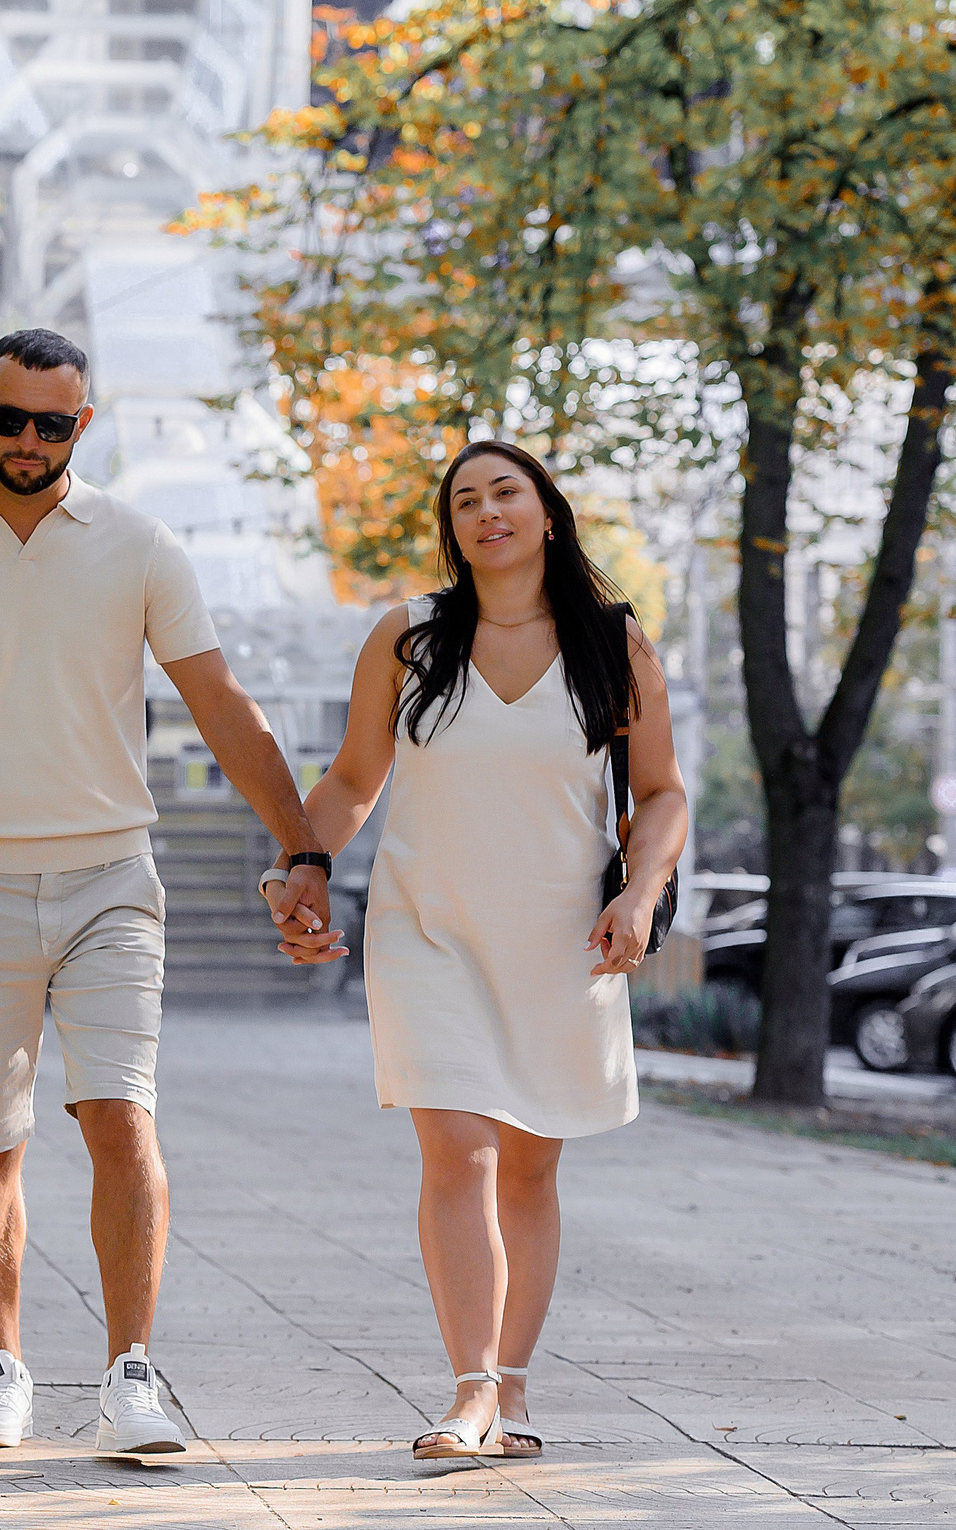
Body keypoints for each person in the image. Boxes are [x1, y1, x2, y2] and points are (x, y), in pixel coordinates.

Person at [0, 328, 338, 1456]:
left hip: (113, 875)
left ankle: (131, 1376)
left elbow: (219, 702)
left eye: (50, 424)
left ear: (83, 425)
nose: (25, 441)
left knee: (121, 1118)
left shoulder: (140, 545)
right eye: (7, 419)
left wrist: (301, 847)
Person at [269, 440, 686, 1461]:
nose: (485, 511)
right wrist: (302, 862)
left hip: (561, 940)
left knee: (529, 1172)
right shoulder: (408, 638)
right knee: (460, 1150)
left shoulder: (612, 643)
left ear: (548, 513)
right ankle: (468, 1392)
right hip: (428, 929)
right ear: (451, 528)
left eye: (506, 492)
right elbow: (354, 777)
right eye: (464, 500)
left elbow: (664, 791)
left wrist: (640, 891)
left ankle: (512, 1381)